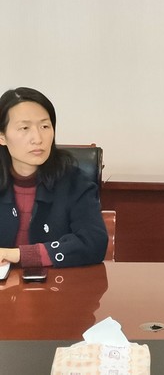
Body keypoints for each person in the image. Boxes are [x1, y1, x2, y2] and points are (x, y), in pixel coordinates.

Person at [0, 87, 107, 268]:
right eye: (24, 128)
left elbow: (94, 242)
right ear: (2, 136)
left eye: (45, 126)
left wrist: (19, 255)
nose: (37, 138)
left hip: (57, 283)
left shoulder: (75, 182)